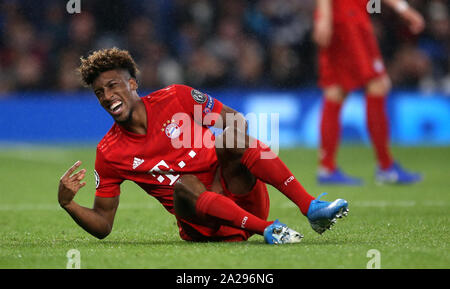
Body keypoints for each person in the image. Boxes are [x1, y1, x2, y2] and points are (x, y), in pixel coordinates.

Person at [57, 48, 349, 244]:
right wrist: (69, 204)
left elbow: (235, 120)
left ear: (133, 84)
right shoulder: (109, 153)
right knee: (183, 184)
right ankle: (269, 230)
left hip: (239, 193)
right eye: (99, 93)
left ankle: (310, 207)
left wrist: (217, 154)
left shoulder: (176, 98)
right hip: (203, 224)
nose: (107, 96)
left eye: (113, 85)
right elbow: (103, 225)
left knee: (232, 138)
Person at [313, 0, 425, 185]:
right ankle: (385, 166)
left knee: (337, 89)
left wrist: (402, 9)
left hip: (347, 15)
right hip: (347, 17)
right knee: (377, 84)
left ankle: (327, 167)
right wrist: (324, 15)